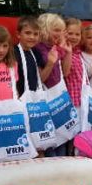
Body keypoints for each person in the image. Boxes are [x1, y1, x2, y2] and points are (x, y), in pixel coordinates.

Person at [34, 13, 73, 156]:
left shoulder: (54, 47)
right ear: (45, 29)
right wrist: (50, 63)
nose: (60, 34)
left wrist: (68, 52)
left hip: (58, 99)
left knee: (62, 137)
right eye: (56, 30)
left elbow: (66, 72)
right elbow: (41, 79)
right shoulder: (38, 49)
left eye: (61, 31)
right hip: (47, 100)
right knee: (51, 141)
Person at [14, 16, 44, 99]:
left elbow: (40, 78)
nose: (32, 37)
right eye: (28, 33)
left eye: (35, 34)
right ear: (18, 34)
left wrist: (50, 64)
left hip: (34, 98)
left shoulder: (36, 52)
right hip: (19, 98)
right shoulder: (13, 53)